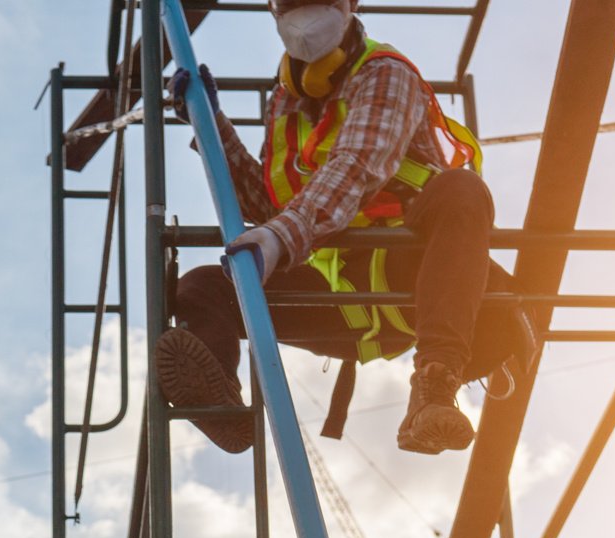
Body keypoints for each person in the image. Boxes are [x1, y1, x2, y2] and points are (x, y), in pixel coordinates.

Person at [155, 0, 537, 457]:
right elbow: (268, 204)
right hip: (338, 294)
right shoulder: (284, 103)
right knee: (202, 289)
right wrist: (212, 130)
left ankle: (435, 385)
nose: (306, 12)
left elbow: (357, 167)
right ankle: (224, 409)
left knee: (462, 190)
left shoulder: (386, 74)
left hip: (416, 276)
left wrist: (280, 239)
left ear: (350, 4)